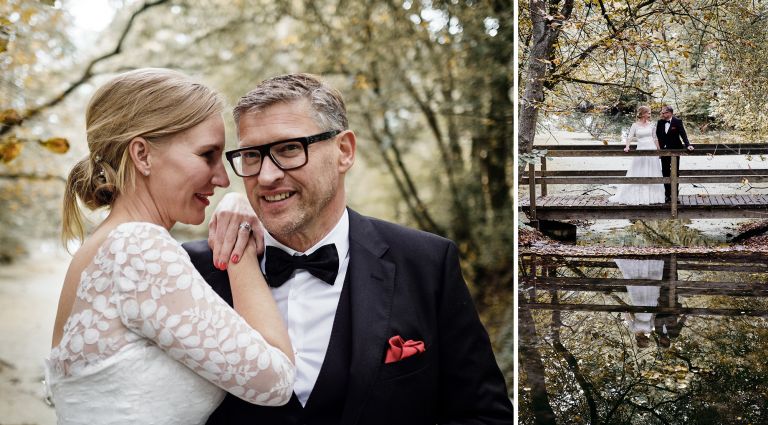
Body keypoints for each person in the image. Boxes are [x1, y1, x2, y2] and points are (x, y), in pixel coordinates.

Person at [183, 73, 514, 424]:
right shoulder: (192, 271)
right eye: (252, 155)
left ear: (344, 151)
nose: (266, 176)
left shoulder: (426, 263)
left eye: (289, 149)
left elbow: (484, 416)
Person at [45, 68, 296, 424]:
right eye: (207, 155)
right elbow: (276, 381)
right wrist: (238, 246)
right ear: (142, 155)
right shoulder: (137, 246)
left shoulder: (101, 247)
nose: (223, 179)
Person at [609, 105, 665, 205]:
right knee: (638, 170)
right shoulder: (635, 125)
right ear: (643, 114)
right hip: (641, 149)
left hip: (651, 149)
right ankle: (637, 195)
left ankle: (652, 196)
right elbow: (629, 137)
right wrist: (627, 146)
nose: (650, 115)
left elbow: (655, 138)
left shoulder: (652, 125)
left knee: (652, 171)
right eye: (648, 113)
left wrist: (659, 150)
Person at [615, 258, 663, 348]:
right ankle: (650, 266)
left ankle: (638, 268)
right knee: (652, 289)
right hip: (650, 306)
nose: (647, 341)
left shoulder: (633, 329)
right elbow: (653, 317)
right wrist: (657, 307)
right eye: (647, 342)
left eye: (646, 342)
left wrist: (626, 311)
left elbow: (628, 319)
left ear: (641, 341)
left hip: (639, 306)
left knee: (637, 289)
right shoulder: (650, 330)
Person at [656, 105, 694, 203]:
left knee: (675, 172)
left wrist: (688, 145)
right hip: (664, 151)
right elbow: (657, 136)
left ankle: (675, 195)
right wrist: (658, 149)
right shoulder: (660, 122)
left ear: (670, 113)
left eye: (664, 112)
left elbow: (683, 134)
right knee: (665, 172)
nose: (662, 114)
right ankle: (667, 195)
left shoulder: (677, 121)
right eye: (662, 112)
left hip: (675, 150)